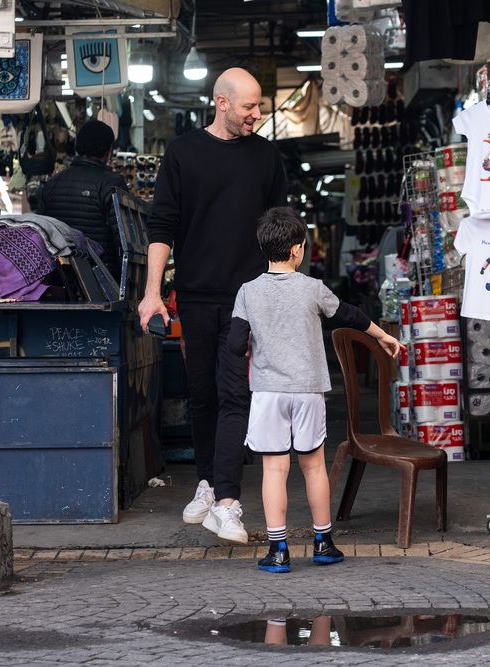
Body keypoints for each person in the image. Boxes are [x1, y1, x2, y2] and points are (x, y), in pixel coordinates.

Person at [139, 68, 288, 544]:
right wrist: (151, 293)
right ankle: (207, 483)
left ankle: (227, 500)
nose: (257, 115)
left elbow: (282, 230)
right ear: (221, 103)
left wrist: (285, 289)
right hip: (197, 296)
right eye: (249, 107)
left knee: (234, 395)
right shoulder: (183, 154)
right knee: (202, 395)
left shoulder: (266, 156)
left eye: (259, 106)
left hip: (250, 298)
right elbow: (161, 227)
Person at [226, 207, 401, 572]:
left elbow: (235, 344)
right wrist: (383, 336)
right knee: (313, 466)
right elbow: (350, 315)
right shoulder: (313, 288)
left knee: (274, 470)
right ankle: (323, 543)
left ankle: (278, 551)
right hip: (307, 390)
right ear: (295, 249)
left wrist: (257, 343)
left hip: (268, 393)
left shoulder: (247, 292)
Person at [35, 120, 128, 278]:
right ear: (108, 151)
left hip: (61, 278)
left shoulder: (52, 184)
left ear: (77, 147)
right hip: (103, 279)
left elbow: (40, 233)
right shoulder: (111, 184)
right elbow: (123, 239)